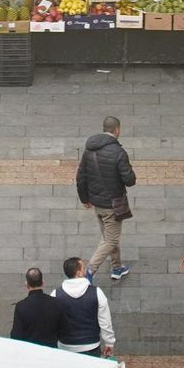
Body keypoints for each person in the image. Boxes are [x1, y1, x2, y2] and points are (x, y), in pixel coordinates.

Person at [76, 116, 137, 283]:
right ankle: (89, 271)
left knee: (109, 236)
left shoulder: (89, 150)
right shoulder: (118, 152)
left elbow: (81, 177)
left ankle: (117, 267)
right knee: (110, 239)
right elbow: (130, 180)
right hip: (113, 204)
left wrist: (84, 198)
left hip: (96, 201)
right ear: (117, 130)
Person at [54, 256, 115, 357]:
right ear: (78, 273)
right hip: (91, 346)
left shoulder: (56, 294)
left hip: (65, 347)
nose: (86, 270)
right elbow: (105, 321)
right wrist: (109, 342)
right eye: (83, 268)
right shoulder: (97, 292)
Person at [10, 267, 65, 347]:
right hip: (51, 349)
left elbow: (16, 335)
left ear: (26, 284)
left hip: (30, 351)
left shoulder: (21, 306)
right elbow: (63, 329)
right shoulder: (55, 303)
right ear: (43, 282)